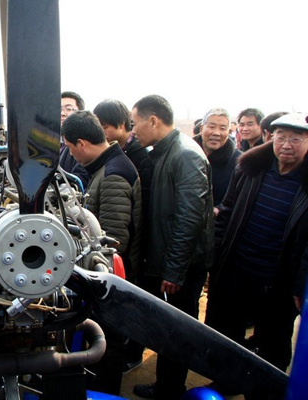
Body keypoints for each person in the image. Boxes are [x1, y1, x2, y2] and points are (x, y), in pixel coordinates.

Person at [205, 113, 308, 380]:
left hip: (278, 284)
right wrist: (217, 254)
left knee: (272, 346)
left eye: (296, 139)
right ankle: (227, 382)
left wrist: (300, 285)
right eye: (281, 137)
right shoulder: (250, 168)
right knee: (228, 335)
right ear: (270, 138)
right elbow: (226, 211)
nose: (286, 145)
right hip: (236, 270)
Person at [131, 95, 213, 400]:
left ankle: (169, 390)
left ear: (153, 121)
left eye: (135, 122)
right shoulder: (163, 152)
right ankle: (166, 385)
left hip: (180, 267)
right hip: (167, 261)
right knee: (167, 329)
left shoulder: (185, 155)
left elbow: (189, 219)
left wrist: (174, 271)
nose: (133, 130)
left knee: (177, 333)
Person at [61, 110, 142, 395]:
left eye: (70, 148)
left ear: (81, 143)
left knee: (107, 341)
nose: (71, 155)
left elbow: (112, 241)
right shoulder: (106, 167)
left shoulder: (113, 175)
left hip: (111, 279)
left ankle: (104, 391)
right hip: (106, 276)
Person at [93, 98, 153, 372]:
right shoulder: (115, 159)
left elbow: (120, 230)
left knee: (122, 322)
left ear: (121, 125)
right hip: (126, 253)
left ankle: (126, 359)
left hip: (126, 257)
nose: (102, 134)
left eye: (105, 127)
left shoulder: (131, 162)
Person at [193, 108, 241, 210]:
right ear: (201, 128)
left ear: (228, 132)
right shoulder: (186, 155)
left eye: (222, 128)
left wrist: (219, 209)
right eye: (212, 127)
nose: (216, 133)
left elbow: (239, 199)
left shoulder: (239, 162)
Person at [58, 91, 90, 188]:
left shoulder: (84, 141)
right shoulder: (57, 142)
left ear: (80, 113)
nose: (62, 113)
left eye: (68, 109)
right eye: (59, 109)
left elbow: (81, 178)